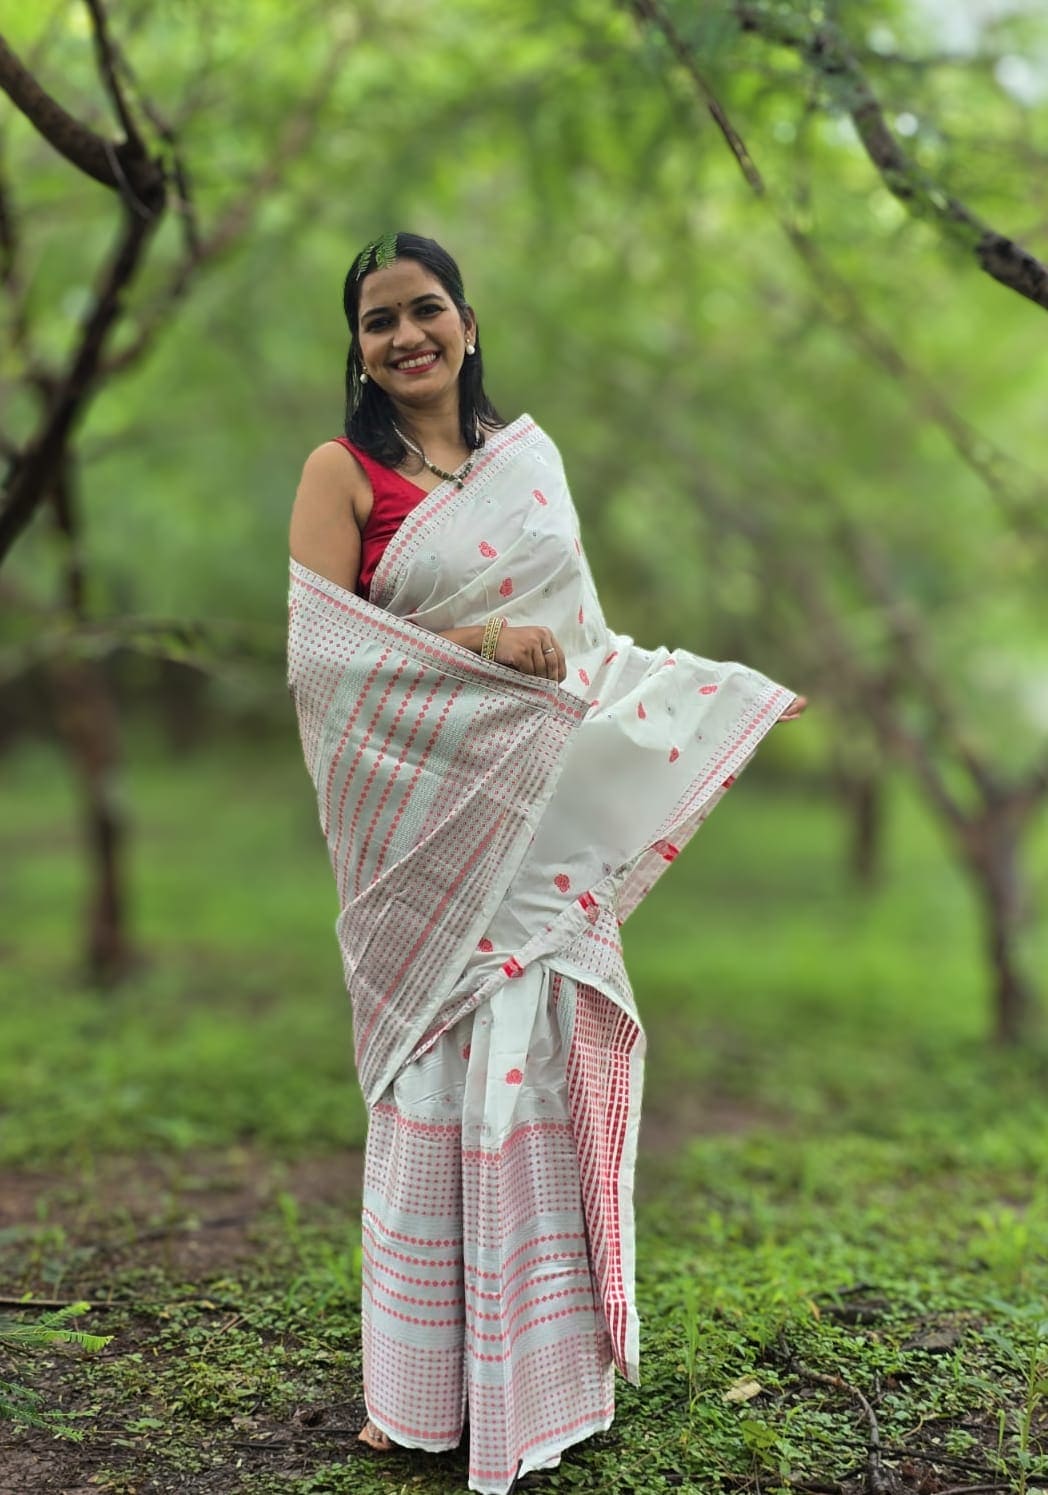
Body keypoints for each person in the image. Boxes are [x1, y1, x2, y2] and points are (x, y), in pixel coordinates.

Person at [287, 231, 807, 1495]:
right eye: (376, 322)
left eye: (424, 310)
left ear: (467, 320)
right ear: (356, 348)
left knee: (533, 1071)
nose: (404, 336)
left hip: (541, 827)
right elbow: (323, 658)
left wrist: (681, 691)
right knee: (436, 1085)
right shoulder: (339, 470)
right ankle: (414, 1398)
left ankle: (544, 1381)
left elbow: (579, 642)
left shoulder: (530, 462)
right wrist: (474, 637)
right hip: (428, 833)